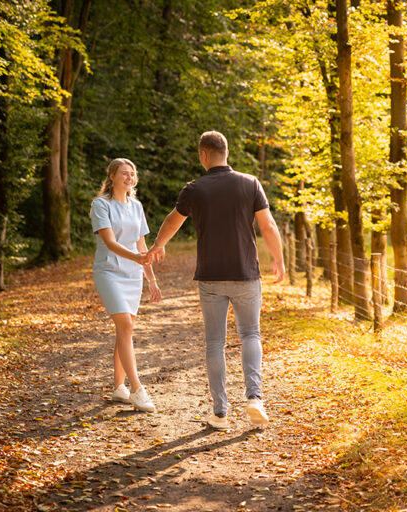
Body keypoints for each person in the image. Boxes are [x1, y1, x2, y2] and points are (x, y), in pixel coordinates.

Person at [146, 131, 284, 430]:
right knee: (250, 335)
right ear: (227, 152)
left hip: (210, 277)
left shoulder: (195, 188)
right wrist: (279, 259)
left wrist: (157, 245)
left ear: (203, 155)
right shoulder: (250, 183)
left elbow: (173, 220)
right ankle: (255, 398)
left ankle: (220, 413)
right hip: (246, 273)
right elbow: (268, 225)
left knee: (214, 343)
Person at [90, 158, 161, 413]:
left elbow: (141, 244)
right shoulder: (101, 205)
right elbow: (110, 242)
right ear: (112, 176)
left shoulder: (137, 206)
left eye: (132, 174)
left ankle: (118, 387)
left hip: (133, 275)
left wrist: (150, 278)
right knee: (127, 325)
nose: (129, 178)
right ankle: (137, 389)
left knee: (125, 330)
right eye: (124, 174)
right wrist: (137, 257)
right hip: (109, 272)